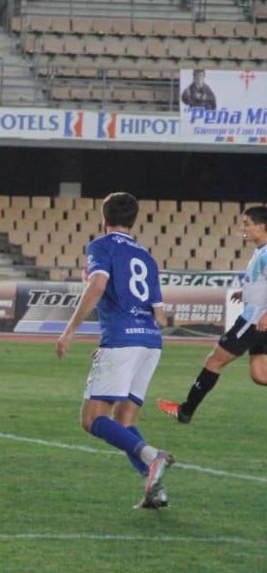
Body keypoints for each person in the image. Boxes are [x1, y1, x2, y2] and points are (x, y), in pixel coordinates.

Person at [55, 192, 173, 509]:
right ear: (134, 221)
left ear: (103, 219)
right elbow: (161, 315)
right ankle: (155, 489)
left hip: (123, 340)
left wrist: (70, 330)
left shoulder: (101, 246)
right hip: (150, 342)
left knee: (92, 419)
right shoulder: (146, 257)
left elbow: (97, 286)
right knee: (124, 421)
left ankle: (152, 457)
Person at [157, 205, 267, 424]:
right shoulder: (260, 251)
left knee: (214, 361)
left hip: (255, 321)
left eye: (247, 223)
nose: (242, 228)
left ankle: (185, 411)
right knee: (260, 374)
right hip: (257, 319)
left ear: (262, 226)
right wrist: (243, 292)